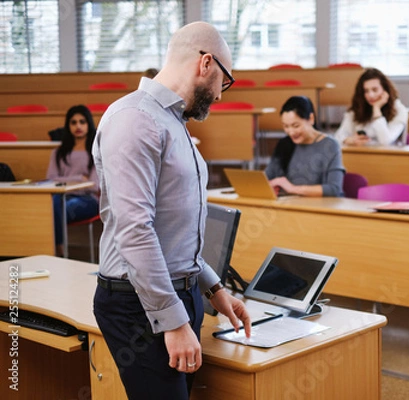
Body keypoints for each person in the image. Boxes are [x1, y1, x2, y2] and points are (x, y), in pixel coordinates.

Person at [91, 21, 251, 400]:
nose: (221, 96)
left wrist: (213, 288)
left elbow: (173, 230)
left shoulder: (174, 122)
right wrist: (172, 321)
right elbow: (135, 229)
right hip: (140, 305)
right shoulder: (135, 119)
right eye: (224, 82)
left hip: (179, 294)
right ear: (206, 64)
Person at [46, 104, 99, 257]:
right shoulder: (58, 152)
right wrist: (79, 179)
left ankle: (58, 251)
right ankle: (59, 249)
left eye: (82, 122)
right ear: (68, 125)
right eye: (73, 122)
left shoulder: (96, 151)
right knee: (55, 203)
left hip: (88, 200)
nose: (78, 126)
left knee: (58, 207)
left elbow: (94, 186)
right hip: (61, 197)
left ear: (89, 124)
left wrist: (66, 182)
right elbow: (50, 180)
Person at [266, 96, 345, 197]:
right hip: (288, 206)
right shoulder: (284, 144)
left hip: (317, 207)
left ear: (311, 119)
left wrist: (293, 189)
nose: (291, 132)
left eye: (296, 126)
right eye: (285, 126)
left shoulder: (330, 145)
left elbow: (334, 189)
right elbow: (268, 177)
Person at [334, 67, 408, 146]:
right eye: (366, 91)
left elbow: (385, 141)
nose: (370, 95)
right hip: (362, 155)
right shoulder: (358, 108)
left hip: (390, 156)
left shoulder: (400, 110)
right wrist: (349, 140)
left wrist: (376, 109)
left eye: (375, 90)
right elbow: (338, 136)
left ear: (385, 90)